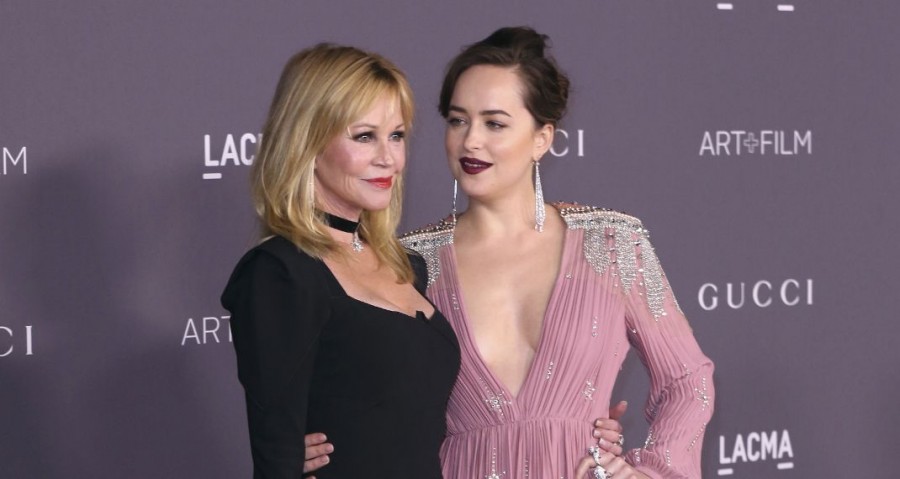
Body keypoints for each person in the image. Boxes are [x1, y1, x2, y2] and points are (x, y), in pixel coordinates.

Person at [398, 27, 715, 478]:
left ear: (542, 138)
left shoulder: (611, 242)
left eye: (494, 123)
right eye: (457, 120)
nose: (470, 141)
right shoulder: (409, 264)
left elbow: (687, 381)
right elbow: (373, 407)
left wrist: (650, 470)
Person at [221, 44, 460, 479]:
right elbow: (278, 453)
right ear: (308, 143)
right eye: (364, 136)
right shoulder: (280, 274)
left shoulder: (408, 265)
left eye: (397, 135)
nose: (388, 158)